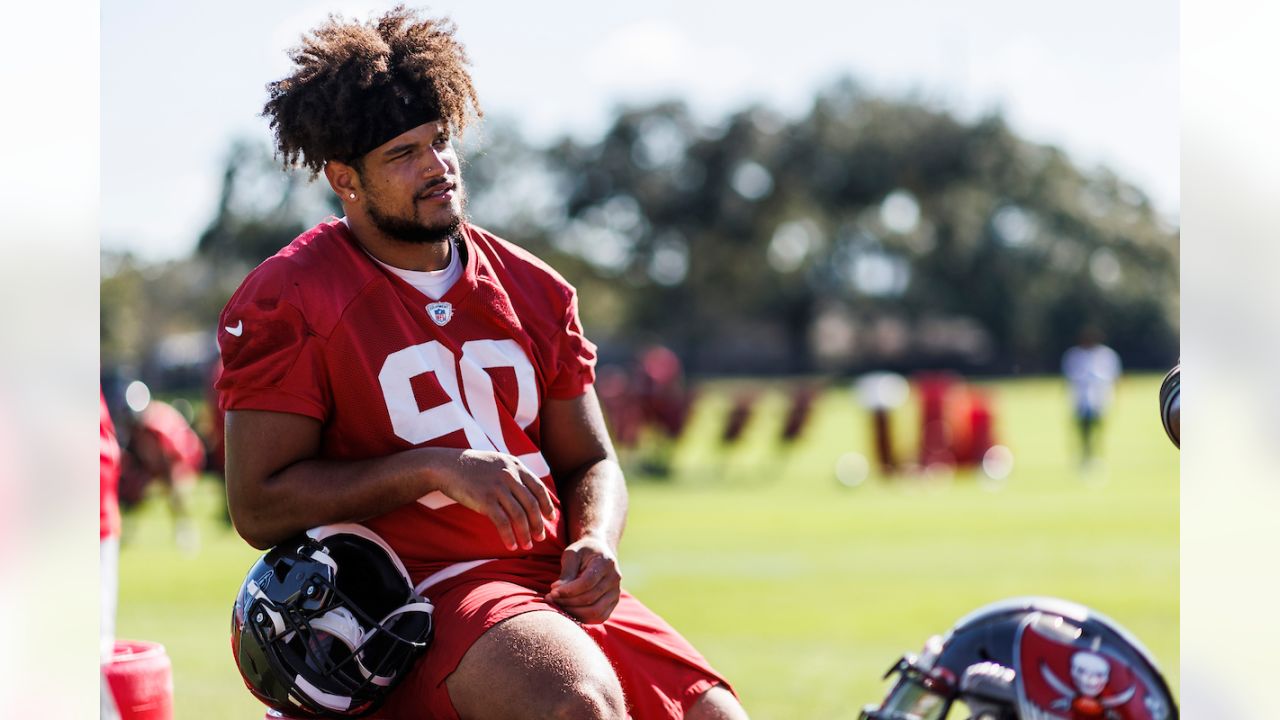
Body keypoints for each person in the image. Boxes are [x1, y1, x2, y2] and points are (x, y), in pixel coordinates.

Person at [217, 7, 745, 719]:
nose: (436, 167)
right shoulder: (294, 294)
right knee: (574, 704)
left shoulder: (533, 285)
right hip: (418, 592)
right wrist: (434, 467)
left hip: (547, 581)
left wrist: (595, 538)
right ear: (345, 179)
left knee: (716, 714)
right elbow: (258, 504)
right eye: (402, 155)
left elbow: (591, 460)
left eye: (439, 142)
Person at [1061, 326, 1122, 467]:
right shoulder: (1074, 355)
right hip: (1081, 401)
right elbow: (1069, 379)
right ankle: (1085, 457)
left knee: (1099, 431)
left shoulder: (1106, 355)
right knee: (1083, 431)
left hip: (1101, 400)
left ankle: (1096, 457)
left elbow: (1114, 378)